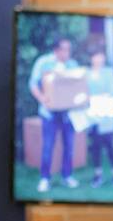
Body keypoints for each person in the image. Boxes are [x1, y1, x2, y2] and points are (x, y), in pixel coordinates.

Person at [28, 36, 83, 194]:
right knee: (48, 146)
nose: (67, 53)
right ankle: (45, 178)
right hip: (49, 114)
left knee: (69, 147)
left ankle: (67, 176)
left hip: (68, 115)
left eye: (69, 50)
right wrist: (42, 98)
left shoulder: (72, 65)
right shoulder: (44, 63)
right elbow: (33, 83)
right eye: (64, 49)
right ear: (56, 50)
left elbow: (78, 87)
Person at [81, 41, 113, 188]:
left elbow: (111, 93)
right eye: (96, 56)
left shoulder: (109, 73)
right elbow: (83, 92)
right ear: (92, 58)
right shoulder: (86, 73)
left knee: (110, 145)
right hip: (92, 117)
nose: (99, 59)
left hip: (106, 116)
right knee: (95, 146)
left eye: (101, 56)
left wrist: (93, 99)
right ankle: (98, 175)